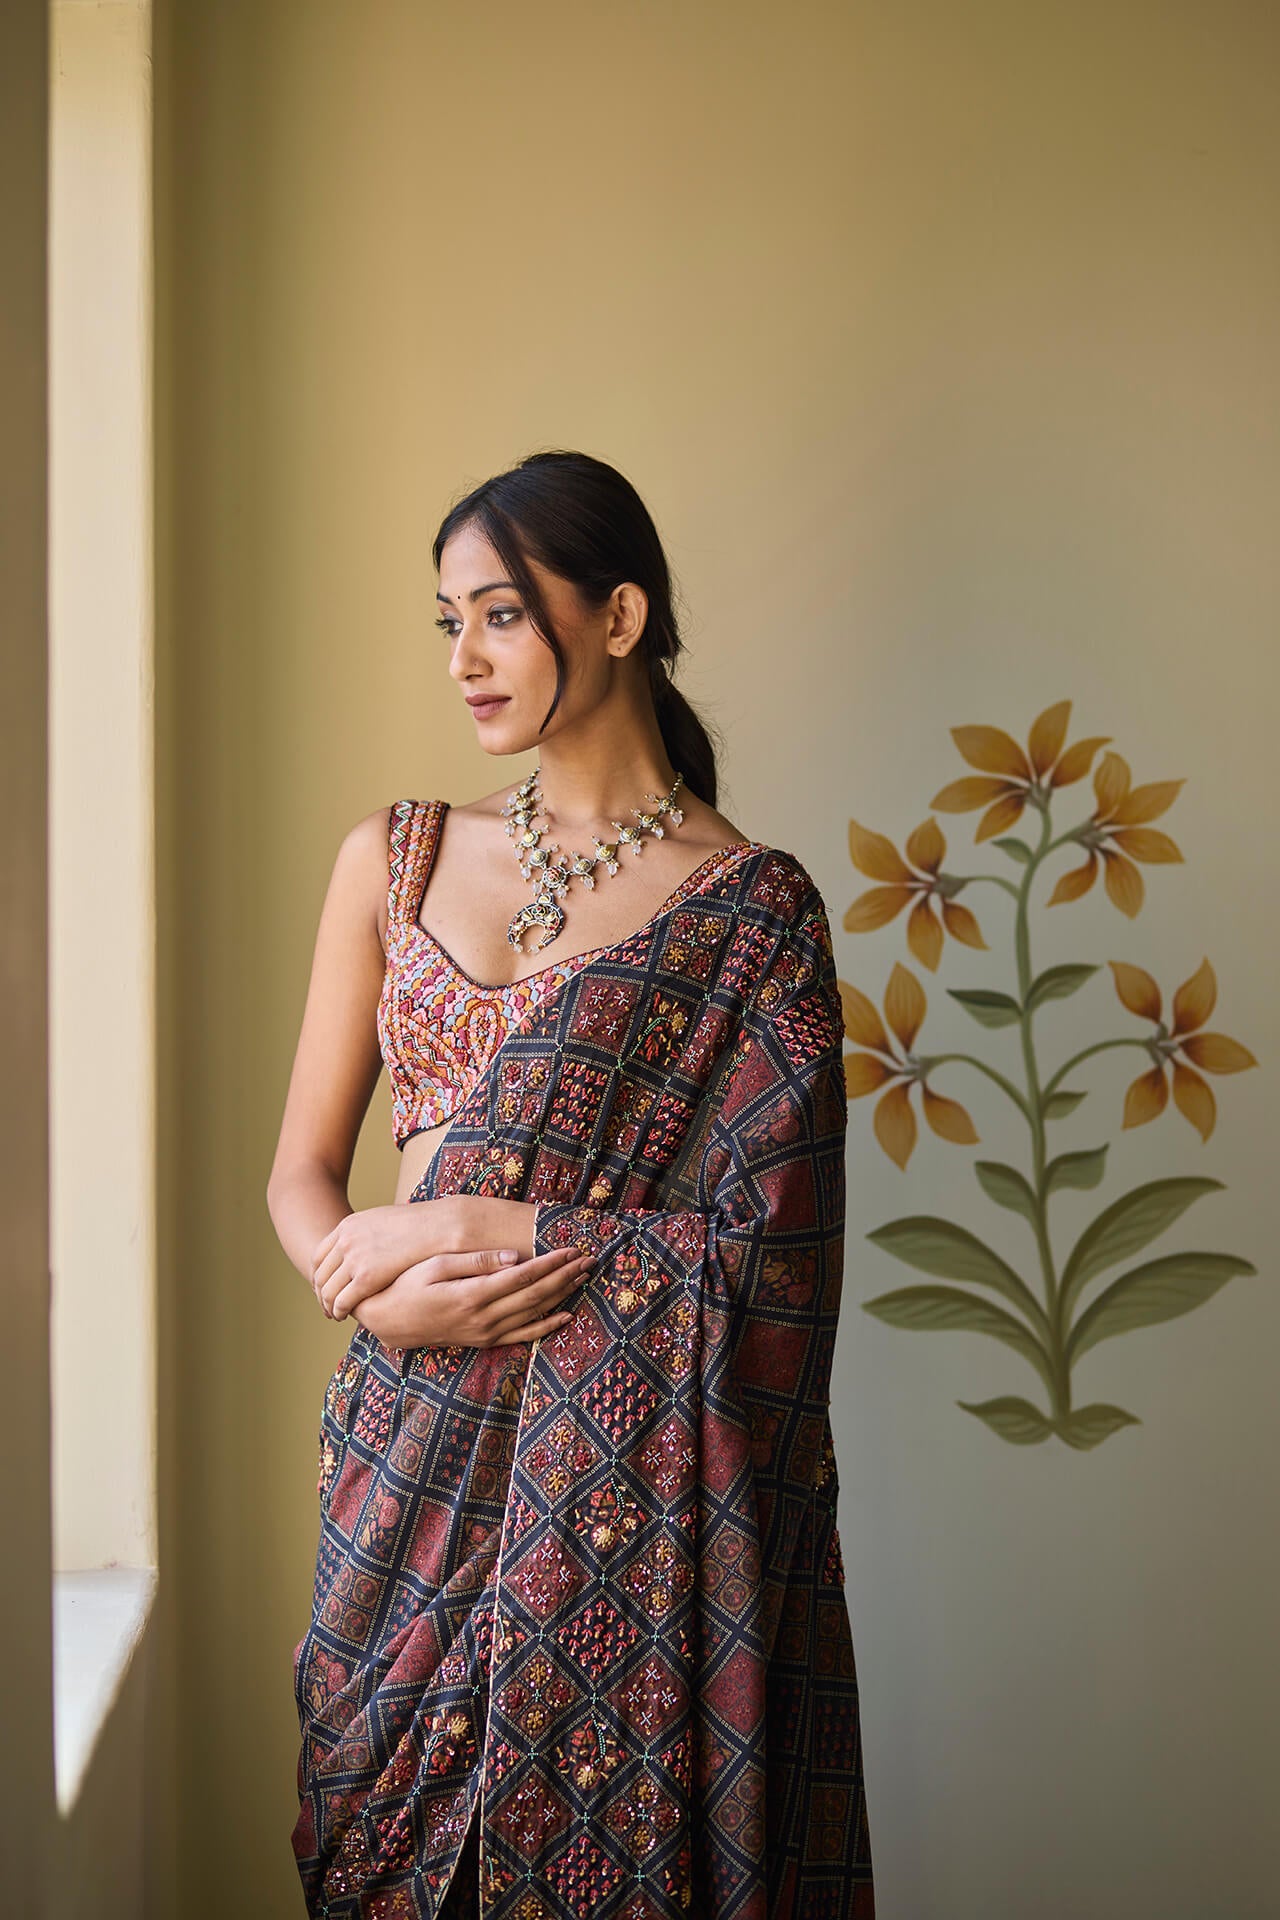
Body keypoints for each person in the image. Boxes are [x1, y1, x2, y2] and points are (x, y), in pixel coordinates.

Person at [268, 450, 875, 1917]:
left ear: (616, 617)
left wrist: (489, 1226)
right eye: (447, 623)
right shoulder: (394, 858)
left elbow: (775, 1271)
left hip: (619, 1553)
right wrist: (369, 1283)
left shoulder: (752, 913)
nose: (466, 659)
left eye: (499, 617)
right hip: (402, 1481)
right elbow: (300, 1176)